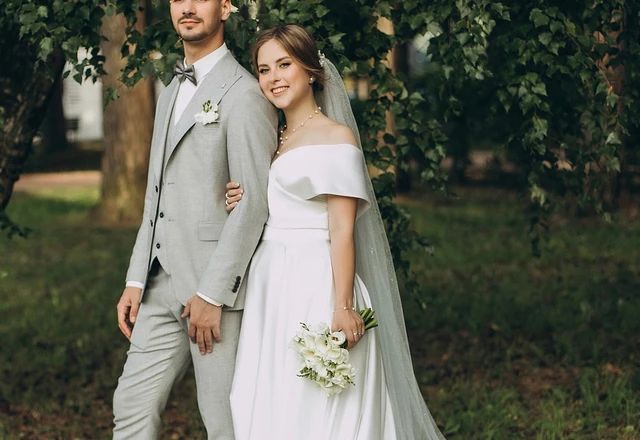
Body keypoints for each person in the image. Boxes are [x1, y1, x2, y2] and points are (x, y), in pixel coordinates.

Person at [226, 24, 445, 440]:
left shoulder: (335, 138)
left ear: (311, 69)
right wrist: (240, 199)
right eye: (264, 68)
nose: (274, 77)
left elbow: (342, 230)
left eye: (285, 64)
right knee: (271, 398)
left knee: (317, 407)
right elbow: (270, 206)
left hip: (316, 283)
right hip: (271, 286)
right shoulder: (275, 139)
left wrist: (343, 305)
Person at [112, 0, 277, 438]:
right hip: (159, 282)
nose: (187, 7)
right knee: (130, 405)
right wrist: (135, 279)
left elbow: (253, 204)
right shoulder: (169, 91)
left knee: (224, 422)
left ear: (225, 7)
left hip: (213, 294)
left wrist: (212, 293)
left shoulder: (244, 94)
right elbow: (156, 194)